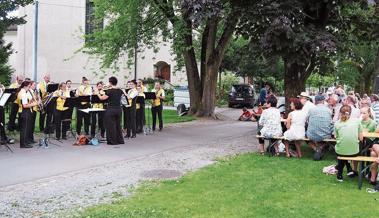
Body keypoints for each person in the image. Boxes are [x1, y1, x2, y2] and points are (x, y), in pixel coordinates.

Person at [334, 105, 363, 182]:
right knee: (346, 150)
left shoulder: (337, 123)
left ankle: (340, 174)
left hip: (341, 151)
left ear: (340, 113)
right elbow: (361, 138)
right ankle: (349, 168)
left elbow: (336, 137)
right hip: (354, 152)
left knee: (341, 150)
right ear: (351, 112)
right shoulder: (357, 121)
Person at [97, 77, 124, 145]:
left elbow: (102, 98)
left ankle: (113, 141)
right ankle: (120, 140)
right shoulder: (120, 90)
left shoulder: (109, 91)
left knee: (111, 126)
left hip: (111, 109)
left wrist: (97, 93)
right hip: (119, 109)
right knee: (118, 125)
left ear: (110, 82)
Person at [307, 94, 332, 160]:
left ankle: (316, 149)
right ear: (323, 101)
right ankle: (320, 147)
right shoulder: (329, 110)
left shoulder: (311, 110)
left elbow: (307, 120)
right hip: (325, 135)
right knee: (328, 133)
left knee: (305, 134)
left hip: (312, 135)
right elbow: (330, 122)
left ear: (315, 101)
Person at [19, 81, 39, 148]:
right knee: (25, 128)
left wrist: (32, 100)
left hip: (26, 111)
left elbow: (26, 103)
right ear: (26, 86)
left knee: (26, 128)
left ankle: (26, 142)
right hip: (25, 111)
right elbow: (24, 105)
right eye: (29, 86)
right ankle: (23, 144)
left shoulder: (24, 92)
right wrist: (35, 104)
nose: (29, 88)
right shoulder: (23, 93)